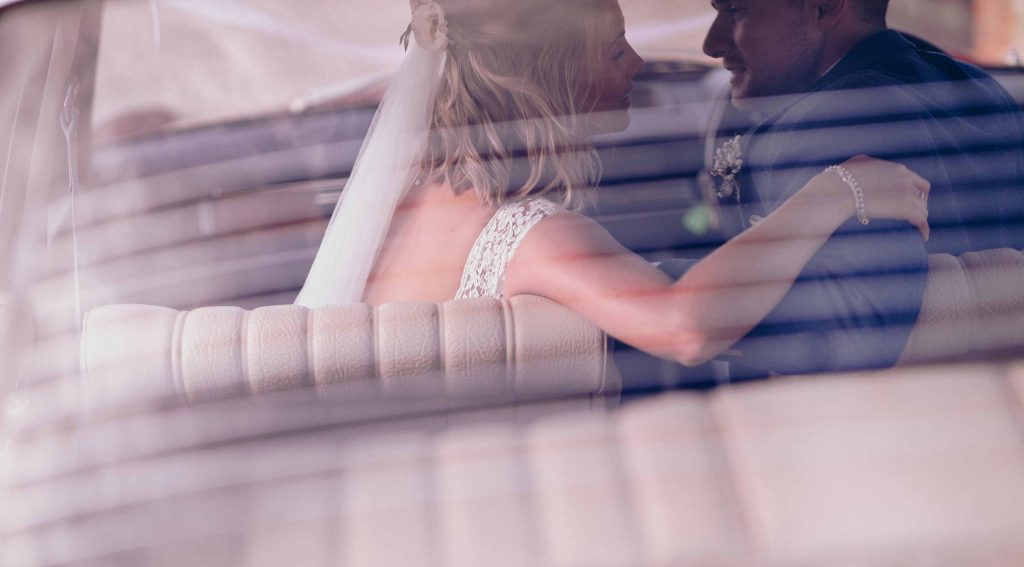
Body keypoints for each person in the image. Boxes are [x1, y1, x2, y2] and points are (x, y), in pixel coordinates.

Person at [296, 0, 929, 370]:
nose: (639, 62)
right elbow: (687, 327)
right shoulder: (525, 233)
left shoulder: (414, 191)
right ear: (554, 74)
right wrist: (837, 190)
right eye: (612, 47)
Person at [664, 0, 1024, 378]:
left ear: (824, 7)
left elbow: (850, 326)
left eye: (736, 11)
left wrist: (658, 292)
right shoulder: (973, 85)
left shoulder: (833, 122)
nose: (712, 43)